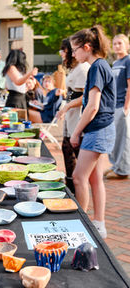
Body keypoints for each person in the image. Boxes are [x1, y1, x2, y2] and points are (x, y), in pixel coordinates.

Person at [70, 25, 116, 239]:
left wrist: (76, 132)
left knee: (78, 177)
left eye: (75, 49)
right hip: (101, 128)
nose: (73, 54)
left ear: (87, 47)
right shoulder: (100, 65)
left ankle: (84, 224)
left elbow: (93, 106)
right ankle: (98, 224)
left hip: (98, 129)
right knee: (94, 178)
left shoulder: (97, 67)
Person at [56, 38, 90, 193]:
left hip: (78, 122)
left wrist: (68, 105)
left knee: (75, 159)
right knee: (67, 155)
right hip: (71, 120)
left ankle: (77, 195)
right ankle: (71, 191)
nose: (61, 53)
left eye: (63, 50)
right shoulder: (75, 69)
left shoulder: (83, 69)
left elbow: (86, 97)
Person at [104, 34, 130, 179]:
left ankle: (123, 171)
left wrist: (127, 106)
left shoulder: (128, 61)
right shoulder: (115, 63)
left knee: (123, 139)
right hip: (113, 106)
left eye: (120, 43)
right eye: (114, 43)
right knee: (114, 138)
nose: (117, 46)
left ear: (127, 45)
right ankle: (116, 165)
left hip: (123, 106)